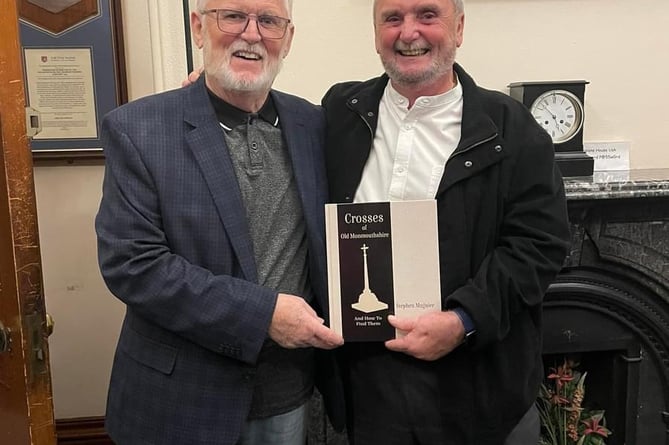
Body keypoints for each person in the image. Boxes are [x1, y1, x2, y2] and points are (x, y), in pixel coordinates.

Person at [320, 0, 571, 444]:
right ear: (376, 32)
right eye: (392, 19)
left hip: (477, 390)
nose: (408, 32)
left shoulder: (512, 128)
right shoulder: (341, 111)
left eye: (427, 16)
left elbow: (539, 245)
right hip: (369, 391)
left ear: (458, 28)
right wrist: (212, 96)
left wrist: (463, 320)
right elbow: (270, 126)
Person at [95, 0, 343, 444]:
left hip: (291, 397)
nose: (251, 34)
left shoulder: (315, 125)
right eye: (233, 16)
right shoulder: (138, 129)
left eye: (269, 21)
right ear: (198, 27)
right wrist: (264, 314)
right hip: (181, 402)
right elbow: (133, 266)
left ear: (287, 39)